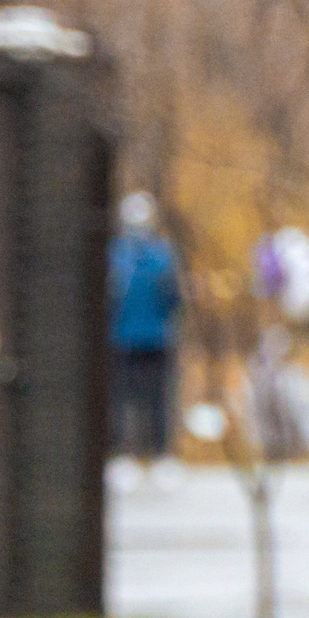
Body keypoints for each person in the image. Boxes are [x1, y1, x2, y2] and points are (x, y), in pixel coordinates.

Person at [108, 191, 181, 464]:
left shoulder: (163, 255)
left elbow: (173, 298)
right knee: (123, 399)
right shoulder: (116, 254)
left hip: (157, 339)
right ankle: (123, 453)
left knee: (158, 399)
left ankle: (161, 454)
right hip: (123, 339)